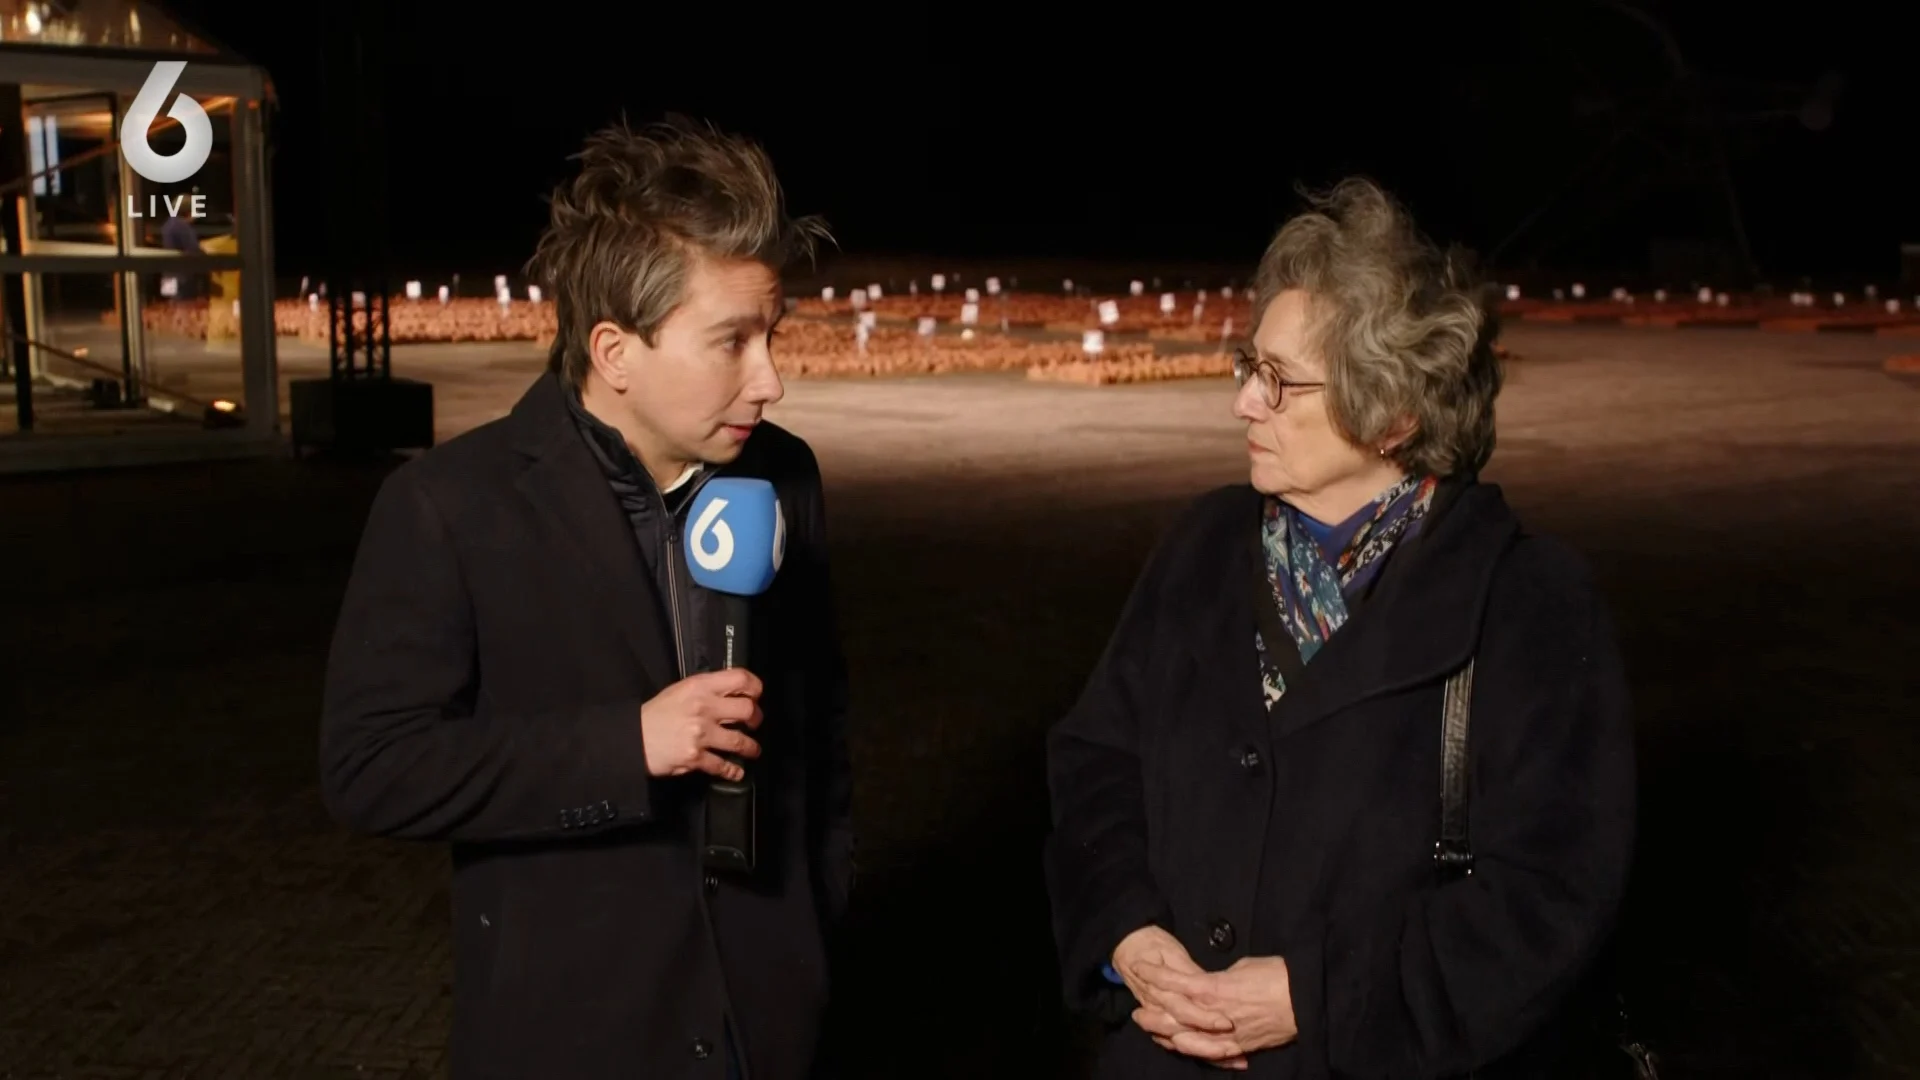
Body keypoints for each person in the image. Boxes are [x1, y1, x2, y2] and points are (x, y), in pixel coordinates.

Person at [1043, 178, 1636, 1078]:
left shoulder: (1527, 602)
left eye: (1280, 382)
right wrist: (1126, 932)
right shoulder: (1202, 546)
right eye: (1249, 367)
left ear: (1394, 415)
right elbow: (1097, 763)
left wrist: (1313, 997)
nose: (1244, 403)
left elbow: (1550, 895)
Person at [319, 118, 852, 1080]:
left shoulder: (786, 476)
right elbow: (373, 768)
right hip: (574, 1034)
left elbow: (821, 736)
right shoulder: (449, 506)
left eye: (770, 336)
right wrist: (625, 746)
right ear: (614, 351)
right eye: (731, 342)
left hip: (768, 1025)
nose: (770, 380)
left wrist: (814, 934)